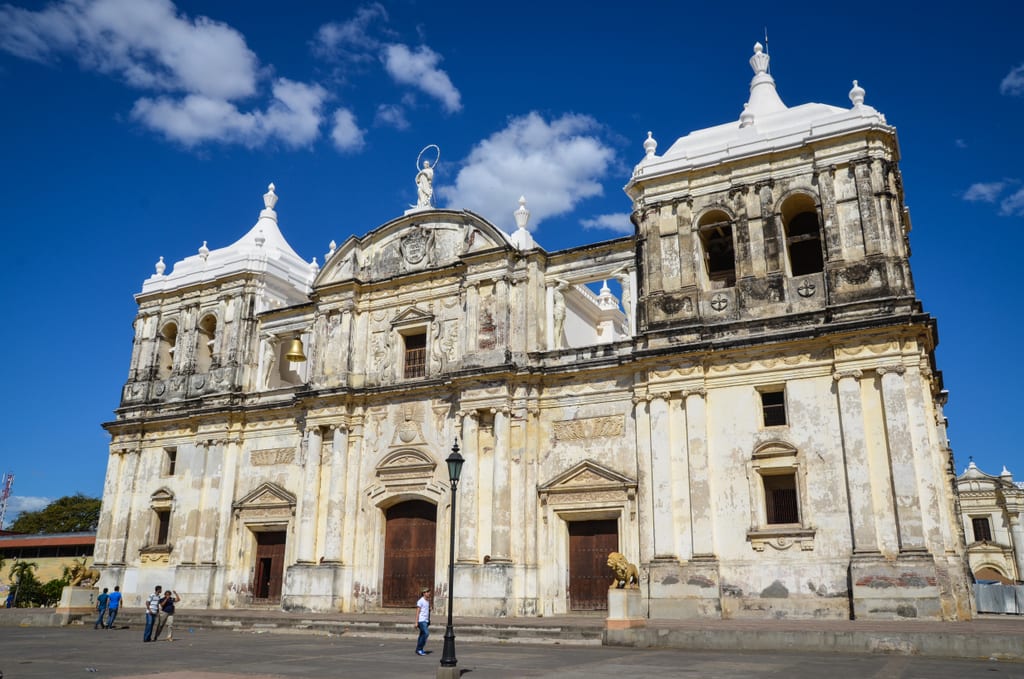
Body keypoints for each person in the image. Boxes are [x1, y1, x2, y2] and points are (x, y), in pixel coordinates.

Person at [414, 586, 431, 656]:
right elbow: (418, 612)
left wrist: (429, 619)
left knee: (422, 635)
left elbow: (427, 611)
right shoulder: (420, 601)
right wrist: (416, 622)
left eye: (429, 592)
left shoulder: (427, 601)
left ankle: (418, 649)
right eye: (427, 592)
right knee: (426, 633)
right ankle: (419, 649)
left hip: (426, 620)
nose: (429, 593)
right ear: (424, 593)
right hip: (421, 621)